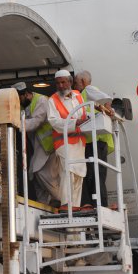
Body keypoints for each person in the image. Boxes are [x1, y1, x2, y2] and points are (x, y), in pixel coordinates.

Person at [11, 81, 57, 206]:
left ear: (26, 94)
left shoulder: (41, 101)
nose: (18, 102)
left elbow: (37, 121)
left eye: (19, 98)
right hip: (38, 146)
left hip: (48, 146)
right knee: (35, 174)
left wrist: (15, 124)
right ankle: (43, 203)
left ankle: (60, 199)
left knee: (41, 173)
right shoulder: (24, 105)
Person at [47, 69, 88, 209]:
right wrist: (73, 123)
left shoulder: (78, 95)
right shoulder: (52, 100)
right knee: (68, 171)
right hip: (63, 142)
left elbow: (84, 114)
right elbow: (54, 121)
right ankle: (66, 204)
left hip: (79, 141)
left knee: (79, 173)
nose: (61, 85)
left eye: (63, 82)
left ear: (70, 82)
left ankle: (75, 206)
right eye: (58, 83)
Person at [74, 70, 115, 208]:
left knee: (96, 174)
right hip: (94, 140)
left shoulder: (89, 90)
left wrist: (109, 109)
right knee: (93, 174)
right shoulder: (85, 95)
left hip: (96, 139)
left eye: (76, 82)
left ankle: (99, 205)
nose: (75, 85)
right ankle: (94, 203)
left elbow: (107, 98)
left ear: (84, 82)